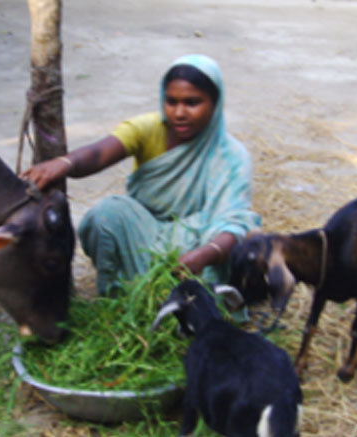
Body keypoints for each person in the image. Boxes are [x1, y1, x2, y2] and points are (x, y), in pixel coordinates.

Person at [23, 54, 260, 294]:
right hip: (146, 233)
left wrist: (205, 254)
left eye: (192, 102)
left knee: (235, 238)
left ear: (215, 103)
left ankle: (200, 305)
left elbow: (233, 223)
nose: (179, 113)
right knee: (105, 214)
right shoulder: (148, 128)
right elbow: (99, 153)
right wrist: (65, 163)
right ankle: (117, 294)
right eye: (171, 101)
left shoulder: (232, 156)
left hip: (200, 246)